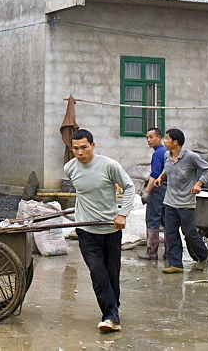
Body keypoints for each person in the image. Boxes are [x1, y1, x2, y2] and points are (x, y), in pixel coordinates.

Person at [63, 128, 135, 333]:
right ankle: (110, 315)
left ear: (93, 146)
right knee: (97, 271)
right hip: (86, 229)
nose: (79, 152)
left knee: (112, 273)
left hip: (111, 229)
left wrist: (123, 214)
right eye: (75, 148)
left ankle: (113, 310)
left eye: (84, 147)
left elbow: (129, 187)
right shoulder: (70, 168)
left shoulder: (109, 166)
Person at [154, 128, 208, 274]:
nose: (165, 141)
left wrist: (199, 184)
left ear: (175, 142)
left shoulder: (191, 157)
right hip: (170, 202)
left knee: (189, 232)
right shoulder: (167, 156)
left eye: (167, 138)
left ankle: (202, 255)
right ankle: (176, 264)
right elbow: (168, 170)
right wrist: (161, 177)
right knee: (171, 233)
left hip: (186, 203)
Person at [137, 127, 167, 261]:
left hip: (158, 189)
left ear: (159, 138)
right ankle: (169, 252)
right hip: (168, 190)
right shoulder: (166, 152)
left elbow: (155, 175)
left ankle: (151, 252)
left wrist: (146, 191)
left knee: (152, 219)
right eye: (147, 137)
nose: (149, 140)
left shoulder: (158, 153)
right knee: (167, 221)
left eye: (151, 137)